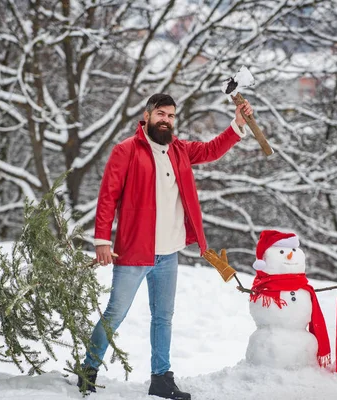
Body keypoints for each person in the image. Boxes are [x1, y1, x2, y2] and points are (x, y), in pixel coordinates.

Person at [78, 93, 253, 399]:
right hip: (134, 251)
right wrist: (102, 240)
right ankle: (87, 371)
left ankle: (161, 378)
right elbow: (108, 197)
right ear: (146, 116)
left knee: (163, 317)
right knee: (114, 314)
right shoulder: (126, 151)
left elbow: (212, 150)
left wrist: (237, 124)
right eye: (161, 114)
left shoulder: (180, 150)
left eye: (171, 116)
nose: (166, 120)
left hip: (168, 253)